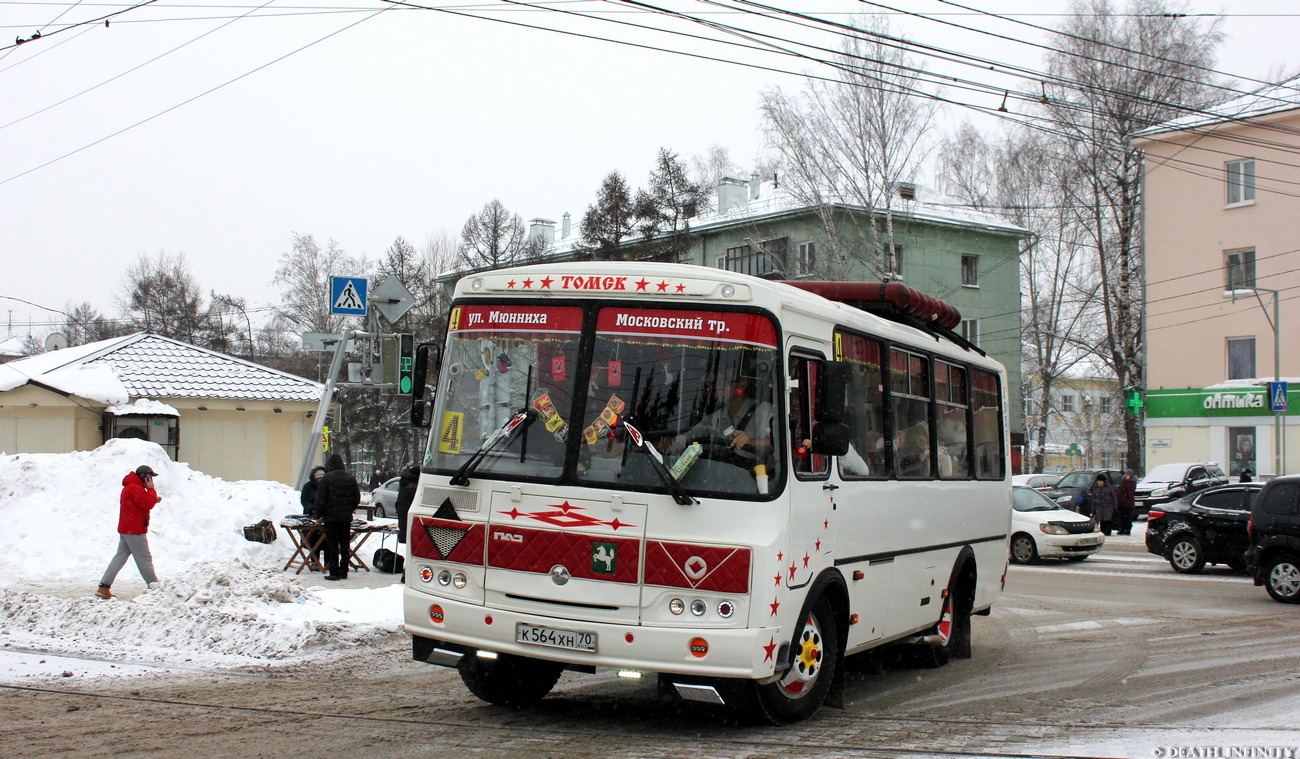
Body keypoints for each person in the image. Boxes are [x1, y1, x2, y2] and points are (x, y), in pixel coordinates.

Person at [96, 465, 162, 599]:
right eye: (149, 477)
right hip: (135, 529)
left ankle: (104, 587)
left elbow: (141, 502)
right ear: (144, 477)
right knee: (145, 559)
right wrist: (151, 491)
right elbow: (147, 503)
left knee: (120, 557)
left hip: (127, 528)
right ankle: (154, 586)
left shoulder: (131, 487)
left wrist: (152, 497)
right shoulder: (135, 488)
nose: (151, 480)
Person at [313, 454, 360, 581]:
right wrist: (349, 509)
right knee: (345, 545)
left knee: (332, 545)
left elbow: (320, 499)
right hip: (345, 518)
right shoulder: (350, 478)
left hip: (331, 518)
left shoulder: (327, 478)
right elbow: (357, 498)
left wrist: (319, 515)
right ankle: (344, 570)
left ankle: (334, 571)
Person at [299, 466, 326, 569]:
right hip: (310, 515)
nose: (320, 480)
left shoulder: (326, 486)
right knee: (313, 539)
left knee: (325, 539)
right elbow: (304, 500)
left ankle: (327, 563)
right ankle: (315, 561)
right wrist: (312, 509)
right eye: (318, 478)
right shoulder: (308, 487)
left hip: (323, 517)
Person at [395, 466, 419, 544]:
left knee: (404, 533)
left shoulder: (404, 481)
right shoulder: (414, 485)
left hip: (402, 510)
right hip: (409, 513)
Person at [1115, 469, 1138, 536]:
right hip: (1121, 503)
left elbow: (1129, 490)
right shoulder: (1123, 481)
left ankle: (1127, 530)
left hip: (1128, 504)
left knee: (1128, 517)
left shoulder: (1132, 482)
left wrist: (1127, 481)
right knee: (1121, 517)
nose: (1126, 476)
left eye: (1127, 475)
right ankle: (1122, 529)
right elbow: (1120, 490)